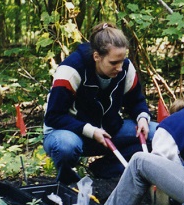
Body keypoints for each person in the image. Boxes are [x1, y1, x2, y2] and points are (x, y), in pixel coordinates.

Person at [43, 23, 156, 184]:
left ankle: (104, 170)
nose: (119, 67)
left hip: (109, 130)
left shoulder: (125, 68)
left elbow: (135, 100)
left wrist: (142, 118)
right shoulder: (71, 70)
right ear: (97, 56)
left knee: (157, 133)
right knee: (65, 146)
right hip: (71, 133)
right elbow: (53, 116)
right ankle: (68, 184)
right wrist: (91, 130)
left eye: (122, 61)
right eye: (113, 63)